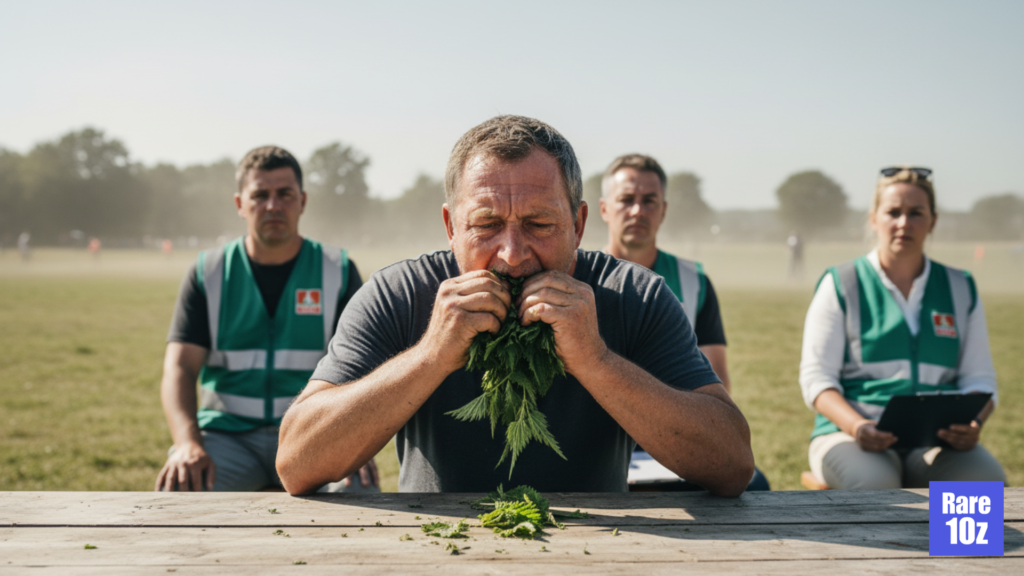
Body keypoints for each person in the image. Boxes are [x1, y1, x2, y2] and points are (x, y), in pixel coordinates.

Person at [276, 116, 754, 496]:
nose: (512, 254)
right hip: (436, 550)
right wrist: (430, 356)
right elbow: (297, 463)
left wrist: (597, 361)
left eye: (539, 224)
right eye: (486, 224)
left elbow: (731, 464)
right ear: (450, 225)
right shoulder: (399, 295)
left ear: (579, 223)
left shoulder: (635, 296)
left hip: (604, 549)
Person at [156, 146, 378, 492]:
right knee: (180, 489)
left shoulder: (337, 270)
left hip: (312, 433)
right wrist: (187, 443)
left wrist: (355, 441)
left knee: (357, 492)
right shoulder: (209, 272)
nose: (273, 205)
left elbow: (365, 367)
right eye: (260, 195)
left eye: (284, 194)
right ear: (239, 204)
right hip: (226, 438)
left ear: (302, 201)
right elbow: (179, 369)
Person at [799, 166, 1005, 489]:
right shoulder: (841, 283)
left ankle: (958, 544)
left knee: (982, 483)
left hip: (936, 442)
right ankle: (895, 543)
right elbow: (816, 379)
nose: (904, 223)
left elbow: (980, 378)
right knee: (877, 488)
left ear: (933, 221)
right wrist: (857, 427)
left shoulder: (961, 286)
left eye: (916, 213)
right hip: (849, 435)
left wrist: (974, 422)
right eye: (893, 212)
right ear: (873, 219)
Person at [599, 153, 769, 491]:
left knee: (754, 485)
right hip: (602, 442)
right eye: (626, 200)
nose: (637, 211)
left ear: (663, 210)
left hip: (673, 434)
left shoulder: (695, 281)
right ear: (604, 209)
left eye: (649, 201)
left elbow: (718, 382)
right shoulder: (581, 279)